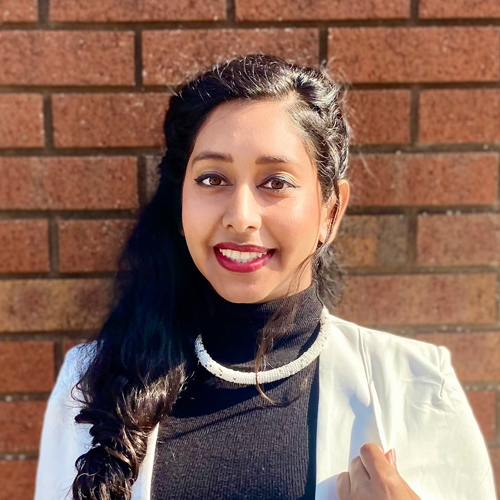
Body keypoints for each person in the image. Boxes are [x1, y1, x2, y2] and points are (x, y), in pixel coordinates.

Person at [34, 54, 496, 500]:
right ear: (180, 204)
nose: (241, 217)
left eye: (276, 182)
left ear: (331, 211)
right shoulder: (89, 382)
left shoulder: (417, 386)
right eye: (213, 179)